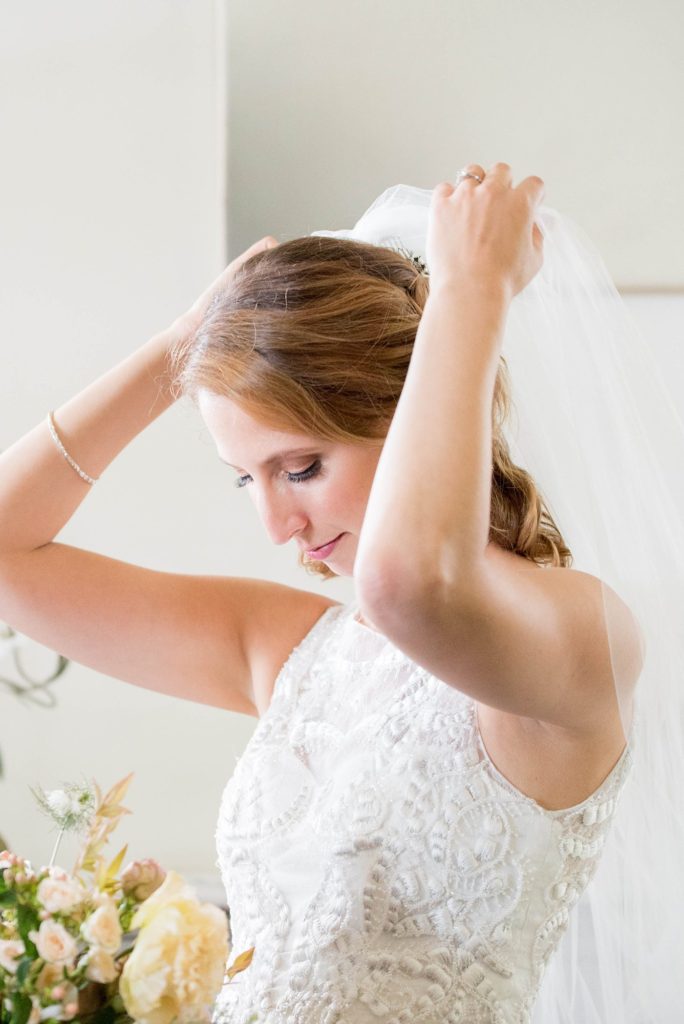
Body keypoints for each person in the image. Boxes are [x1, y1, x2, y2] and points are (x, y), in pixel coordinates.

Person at [0, 163, 660, 1023]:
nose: (278, 525)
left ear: (409, 409)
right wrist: (186, 342)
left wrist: (471, 294)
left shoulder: (579, 632)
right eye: (245, 480)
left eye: (301, 467)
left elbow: (412, 585)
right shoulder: (292, 652)